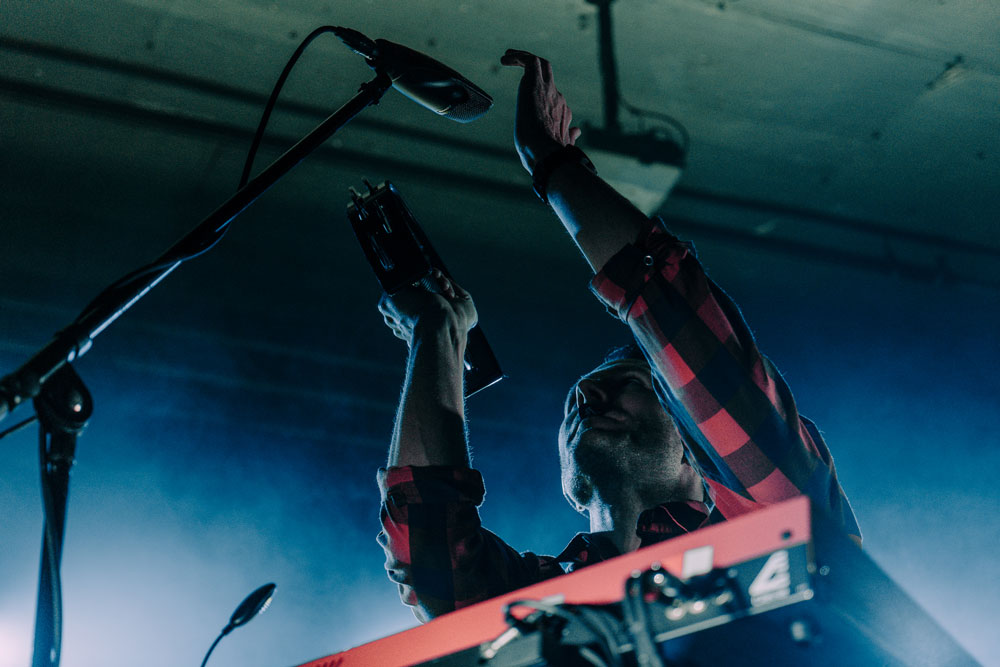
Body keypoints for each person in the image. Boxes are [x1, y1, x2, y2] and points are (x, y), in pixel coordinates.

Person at [376, 50, 861, 622]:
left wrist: (554, 168)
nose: (584, 399)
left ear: (691, 434)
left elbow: (687, 332)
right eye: (577, 399)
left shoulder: (765, 526)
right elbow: (430, 551)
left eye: (630, 385)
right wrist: (438, 333)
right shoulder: (538, 604)